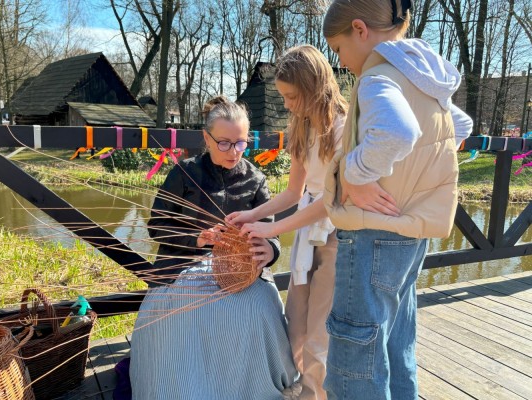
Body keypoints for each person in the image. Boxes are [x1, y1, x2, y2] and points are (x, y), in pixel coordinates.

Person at [321, 1, 473, 399]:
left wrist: (354, 175)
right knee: (394, 343)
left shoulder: (377, 78)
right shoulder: (424, 78)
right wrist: (416, 174)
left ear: (359, 29)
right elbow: (461, 125)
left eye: (337, 49)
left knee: (355, 360)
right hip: (409, 235)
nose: (341, 61)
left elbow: (398, 132)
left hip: (372, 232)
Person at [129, 96, 299, 400]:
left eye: (241, 143)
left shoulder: (256, 179)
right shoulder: (183, 173)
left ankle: (245, 389)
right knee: (183, 313)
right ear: (206, 139)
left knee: (258, 308)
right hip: (184, 264)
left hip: (242, 270)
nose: (234, 152)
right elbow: (156, 226)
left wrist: (270, 252)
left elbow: (271, 233)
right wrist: (198, 238)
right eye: (224, 143)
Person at [226, 45, 348, 400]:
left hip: (337, 234)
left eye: (292, 96)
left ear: (314, 88)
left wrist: (273, 229)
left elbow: (332, 200)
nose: (287, 104)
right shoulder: (301, 127)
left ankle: (314, 393)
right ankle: (303, 383)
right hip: (308, 230)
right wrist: (253, 215)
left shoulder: (343, 126)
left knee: (320, 331)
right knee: (296, 323)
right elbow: (295, 192)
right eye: (284, 96)